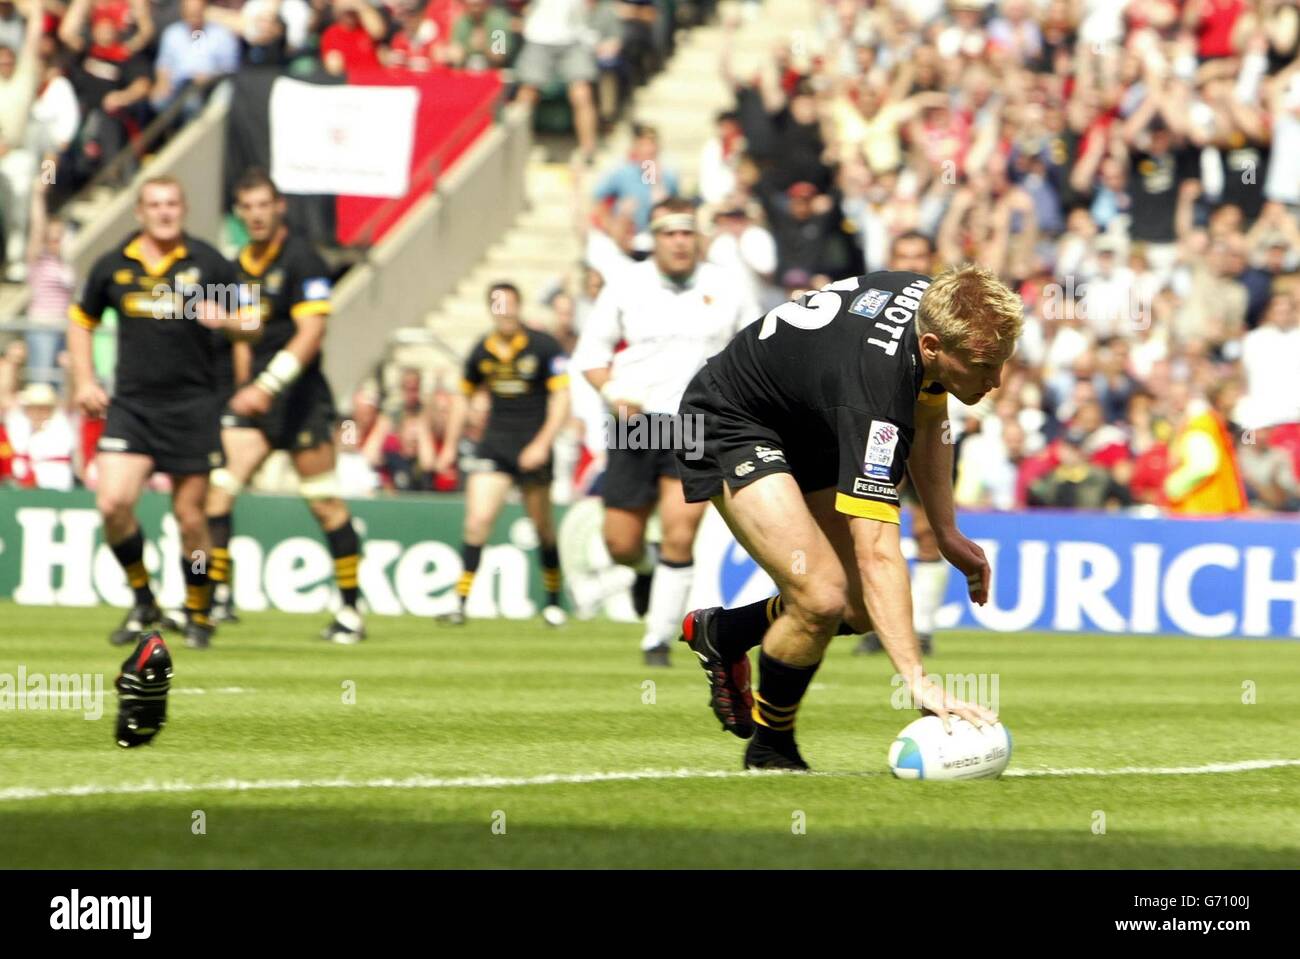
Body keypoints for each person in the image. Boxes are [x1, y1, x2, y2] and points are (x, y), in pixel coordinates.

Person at [674, 264, 1016, 769]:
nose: (997, 381)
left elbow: (929, 411)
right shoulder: (877, 389)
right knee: (821, 596)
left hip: (811, 424)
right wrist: (916, 680)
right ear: (930, 347)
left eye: (1002, 363)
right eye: (985, 366)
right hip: (727, 418)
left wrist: (945, 531)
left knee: (856, 610)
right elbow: (877, 549)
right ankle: (771, 747)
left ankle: (725, 633)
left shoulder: (936, 314)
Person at [67, 175, 257, 656]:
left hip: (192, 407)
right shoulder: (115, 264)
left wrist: (227, 319)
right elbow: (80, 321)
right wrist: (85, 380)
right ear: (139, 211)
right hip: (132, 407)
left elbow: (252, 322)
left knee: (190, 517)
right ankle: (144, 599)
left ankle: (197, 609)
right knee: (112, 504)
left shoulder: (208, 263)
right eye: (154, 204)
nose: (164, 212)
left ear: (184, 208)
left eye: (172, 203)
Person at [571, 197, 758, 665]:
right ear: (653, 238)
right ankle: (644, 571)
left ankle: (656, 640)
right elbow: (590, 355)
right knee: (620, 544)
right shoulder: (626, 285)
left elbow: (757, 349)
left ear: (698, 237)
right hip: (637, 421)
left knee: (680, 534)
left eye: (685, 232)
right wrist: (614, 390)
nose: (679, 241)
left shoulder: (728, 285)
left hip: (696, 421)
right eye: (668, 232)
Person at [204, 168, 367, 642]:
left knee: (325, 505)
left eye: (263, 205)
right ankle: (218, 596)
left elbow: (312, 333)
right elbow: (250, 330)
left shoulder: (304, 260)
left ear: (280, 208)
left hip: (298, 399)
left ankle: (351, 611)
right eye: (247, 207)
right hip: (255, 400)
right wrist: (229, 336)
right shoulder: (238, 265)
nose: (256, 215)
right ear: (239, 213)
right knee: (216, 493)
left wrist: (268, 385)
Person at [434, 281, 572, 626]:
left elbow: (561, 399)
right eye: (497, 306)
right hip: (495, 444)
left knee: (543, 527)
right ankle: (460, 603)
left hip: (533, 445)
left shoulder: (543, 346)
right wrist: (450, 445)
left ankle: (553, 602)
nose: (504, 312)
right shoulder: (482, 349)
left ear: (519, 306)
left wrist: (542, 443)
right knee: (477, 521)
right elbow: (463, 397)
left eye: (509, 304)